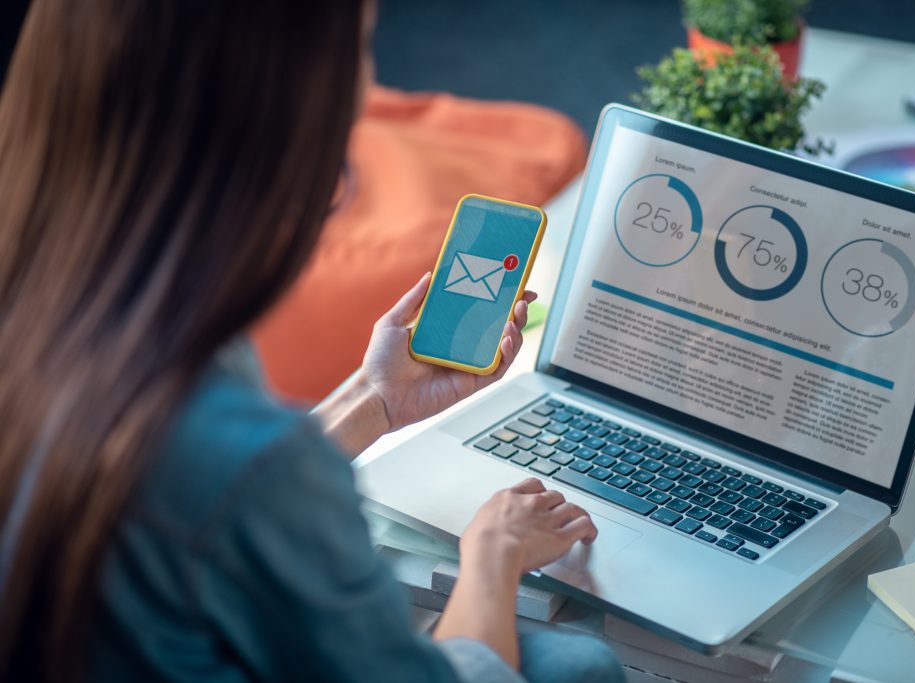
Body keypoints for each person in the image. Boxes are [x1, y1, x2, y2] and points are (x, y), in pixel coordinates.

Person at [0, 2, 625, 682]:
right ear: (282, 106)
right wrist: (494, 555)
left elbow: (209, 492)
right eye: (358, 49)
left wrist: (373, 400)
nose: (366, 91)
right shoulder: (247, 456)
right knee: (580, 663)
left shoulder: (54, 314)